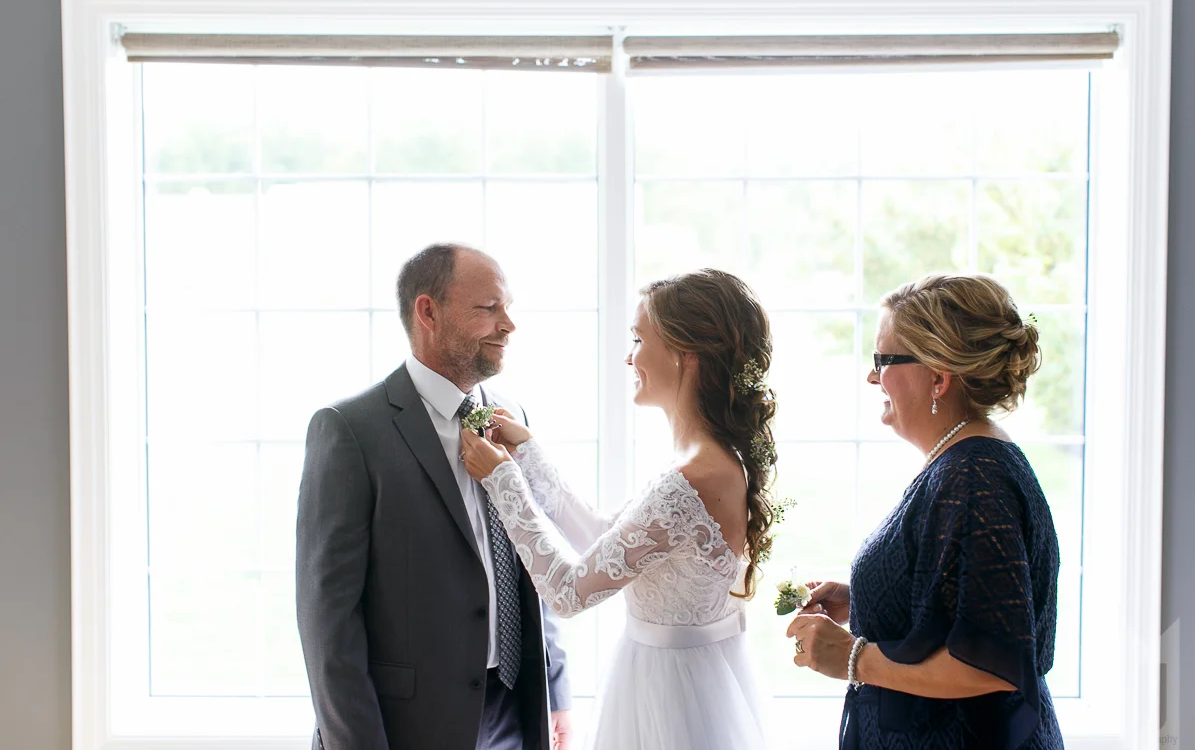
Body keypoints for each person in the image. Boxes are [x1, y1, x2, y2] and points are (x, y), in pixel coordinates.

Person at [459, 268, 778, 750]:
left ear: (686, 354)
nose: (629, 356)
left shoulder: (694, 478)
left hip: (672, 702)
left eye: (638, 339)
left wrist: (503, 482)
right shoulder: (708, 461)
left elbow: (568, 592)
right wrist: (527, 455)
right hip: (677, 681)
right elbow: (606, 538)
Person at [296, 243, 572, 750]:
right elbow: (328, 622)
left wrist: (556, 691)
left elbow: (533, 558)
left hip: (518, 715)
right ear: (429, 312)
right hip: (409, 726)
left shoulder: (511, 417)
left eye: (508, 307)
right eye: (489, 308)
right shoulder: (350, 430)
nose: (508, 324)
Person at [786, 273, 1064, 749]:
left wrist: (852, 657)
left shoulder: (974, 477)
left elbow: (991, 663)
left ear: (938, 378)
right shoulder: (963, 463)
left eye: (883, 361)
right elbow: (965, 606)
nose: (872, 376)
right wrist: (866, 601)